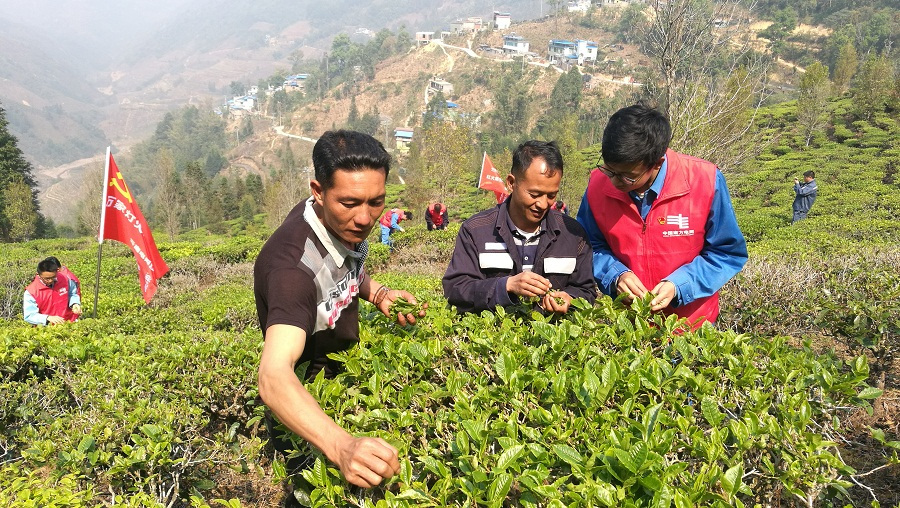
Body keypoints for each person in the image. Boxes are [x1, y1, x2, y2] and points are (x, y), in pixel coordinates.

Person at [254, 130, 427, 494]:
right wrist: (340, 445)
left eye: (376, 202)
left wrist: (378, 293)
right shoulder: (292, 271)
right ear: (318, 191)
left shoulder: (332, 222)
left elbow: (344, 265)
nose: (364, 218)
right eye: (349, 203)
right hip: (309, 410)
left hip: (345, 381)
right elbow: (273, 375)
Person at [576, 104, 747, 329]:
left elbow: (726, 253)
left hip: (693, 325)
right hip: (630, 327)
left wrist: (680, 285)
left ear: (658, 162)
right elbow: (587, 246)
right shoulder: (598, 185)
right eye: (609, 170)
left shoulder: (705, 180)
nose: (614, 182)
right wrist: (615, 275)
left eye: (628, 176)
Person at [443, 140, 597, 314]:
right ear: (511, 183)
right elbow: (455, 289)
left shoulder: (573, 234)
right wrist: (505, 286)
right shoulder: (476, 230)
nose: (543, 204)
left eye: (551, 195)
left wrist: (570, 299)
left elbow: (586, 291)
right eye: (534, 194)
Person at [23, 257, 82, 326]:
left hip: (68, 323)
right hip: (47, 328)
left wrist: (74, 303)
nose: (50, 280)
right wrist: (48, 318)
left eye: (53, 277)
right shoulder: (31, 292)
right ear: (38, 274)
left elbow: (72, 293)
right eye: (47, 279)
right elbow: (29, 315)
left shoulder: (65, 279)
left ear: (57, 271)